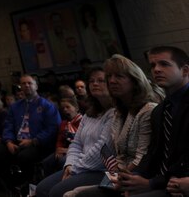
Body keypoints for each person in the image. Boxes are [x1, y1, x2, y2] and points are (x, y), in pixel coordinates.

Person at [68, 54, 162, 197]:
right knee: (73, 193)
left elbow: (141, 158)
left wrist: (116, 180)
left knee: (78, 194)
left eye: (119, 76)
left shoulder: (148, 109)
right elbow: (119, 156)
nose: (112, 81)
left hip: (140, 176)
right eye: (109, 77)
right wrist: (110, 179)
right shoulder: (119, 111)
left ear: (134, 80)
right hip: (120, 175)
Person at [111, 46, 189, 197]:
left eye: (164, 64)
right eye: (153, 65)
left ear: (185, 70)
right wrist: (135, 176)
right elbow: (153, 152)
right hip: (160, 179)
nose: (156, 70)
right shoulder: (160, 110)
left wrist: (151, 183)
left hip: (179, 182)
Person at [36, 67, 116, 197]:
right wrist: (69, 164)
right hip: (80, 166)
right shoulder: (89, 114)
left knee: (55, 192)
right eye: (91, 81)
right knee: (41, 188)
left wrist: (75, 168)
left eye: (101, 80)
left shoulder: (114, 112)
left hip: (102, 170)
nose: (95, 84)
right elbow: (76, 143)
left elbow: (102, 150)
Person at [0, 74, 62, 190]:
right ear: (20, 87)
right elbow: (8, 126)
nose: (26, 85)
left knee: (24, 157)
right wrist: (8, 141)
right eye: (23, 84)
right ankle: (12, 185)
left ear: (36, 86)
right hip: (16, 142)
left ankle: (27, 185)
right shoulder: (15, 106)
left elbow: (52, 128)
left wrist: (33, 141)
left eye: (29, 83)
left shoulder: (47, 106)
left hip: (39, 143)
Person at [43, 97, 83, 175]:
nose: (65, 110)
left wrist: (66, 150)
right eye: (63, 108)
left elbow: (82, 143)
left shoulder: (82, 122)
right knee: (47, 162)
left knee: (62, 162)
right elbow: (60, 139)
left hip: (77, 151)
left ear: (76, 108)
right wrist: (58, 148)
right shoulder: (64, 123)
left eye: (68, 107)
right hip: (64, 149)